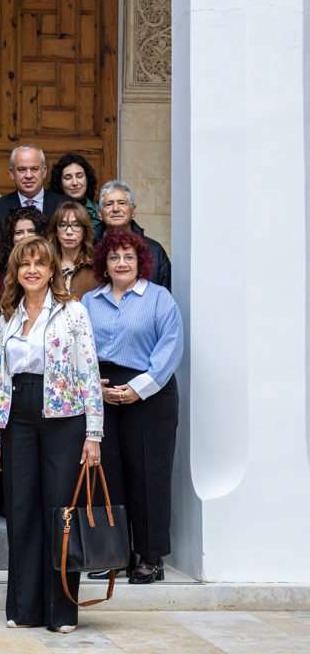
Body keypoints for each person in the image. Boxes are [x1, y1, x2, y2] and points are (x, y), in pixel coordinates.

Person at [0, 236, 103, 634]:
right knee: (21, 511)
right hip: (18, 415)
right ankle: (24, 607)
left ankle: (62, 611)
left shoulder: (72, 312)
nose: (32, 270)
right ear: (15, 273)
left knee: (59, 512)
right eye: (24, 264)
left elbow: (88, 369)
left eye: (39, 263)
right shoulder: (8, 317)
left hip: (64, 417)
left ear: (53, 270)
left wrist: (94, 432)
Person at [82, 229, 183, 585]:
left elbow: (170, 349)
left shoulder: (159, 299)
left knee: (148, 475)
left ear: (141, 262)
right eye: (114, 257)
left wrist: (139, 390)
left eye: (128, 257)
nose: (121, 263)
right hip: (103, 393)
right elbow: (80, 351)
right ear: (103, 264)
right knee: (108, 476)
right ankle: (114, 556)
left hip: (150, 395)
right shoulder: (89, 302)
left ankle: (150, 557)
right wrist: (98, 388)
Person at [97, 180, 172, 290]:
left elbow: (166, 297)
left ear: (133, 211)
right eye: (109, 204)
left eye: (122, 203)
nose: (115, 209)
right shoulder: (89, 249)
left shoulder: (154, 250)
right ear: (99, 214)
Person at [0, 146, 64, 241]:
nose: (28, 175)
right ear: (11, 173)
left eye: (34, 169)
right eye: (22, 169)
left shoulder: (63, 205)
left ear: (44, 172)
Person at [47, 201, 99, 298]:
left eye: (76, 225)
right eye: (63, 225)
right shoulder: (46, 264)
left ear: (84, 231)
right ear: (55, 231)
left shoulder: (96, 266)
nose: (69, 232)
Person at [0, 206, 47, 289]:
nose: (26, 237)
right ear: (10, 237)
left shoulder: (49, 260)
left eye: (31, 231)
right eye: (19, 233)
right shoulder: (1, 267)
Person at [50, 153, 101, 234]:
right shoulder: (51, 211)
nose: (75, 182)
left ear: (87, 179)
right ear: (60, 183)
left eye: (79, 176)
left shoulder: (99, 211)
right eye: (68, 177)